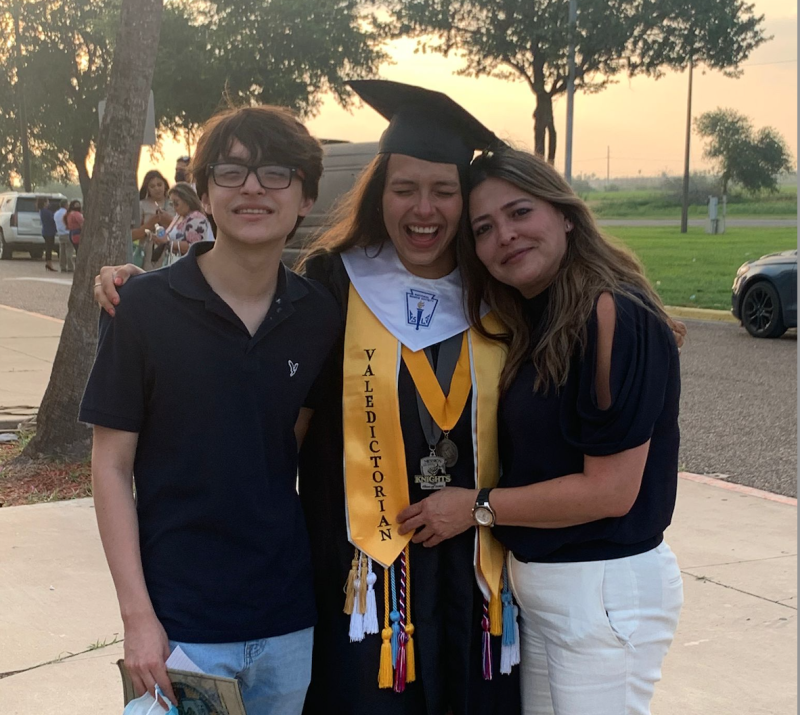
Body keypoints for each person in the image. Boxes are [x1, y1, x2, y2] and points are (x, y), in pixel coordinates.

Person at [93, 81, 522, 715]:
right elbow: (123, 461)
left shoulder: (493, 288)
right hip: (350, 584)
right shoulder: (337, 284)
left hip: (458, 577)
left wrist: (621, 302)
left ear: (305, 195)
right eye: (404, 188)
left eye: (443, 191)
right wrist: (139, 284)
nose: (422, 208)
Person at [397, 147, 684, 715]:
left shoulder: (613, 312)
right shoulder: (540, 319)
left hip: (601, 590)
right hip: (548, 592)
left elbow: (610, 490)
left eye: (520, 212)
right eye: (484, 228)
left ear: (566, 214)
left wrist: (476, 507)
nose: (504, 235)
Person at [80, 105, 341, 715]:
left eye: (276, 173)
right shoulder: (141, 308)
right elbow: (111, 469)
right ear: (203, 192)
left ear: (305, 198)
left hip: (287, 621)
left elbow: (284, 447)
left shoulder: (318, 317)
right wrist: (138, 620)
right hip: (179, 628)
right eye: (231, 171)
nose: (252, 187)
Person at [149, 182, 213, 267]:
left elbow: (193, 247)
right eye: (172, 204)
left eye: (176, 203)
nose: (174, 207)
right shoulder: (178, 217)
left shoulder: (196, 218)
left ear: (187, 200)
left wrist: (167, 243)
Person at [132, 170, 175, 270]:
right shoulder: (141, 205)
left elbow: (183, 227)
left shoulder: (174, 203)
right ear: (148, 189)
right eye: (152, 186)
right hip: (148, 253)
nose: (157, 188)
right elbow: (133, 235)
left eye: (159, 185)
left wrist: (168, 220)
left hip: (171, 251)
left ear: (165, 185)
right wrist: (151, 223)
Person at [54, 199, 75, 272]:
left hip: (60, 234)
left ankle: (62, 266)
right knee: (69, 251)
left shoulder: (56, 213)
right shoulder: (67, 213)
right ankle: (70, 266)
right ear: (66, 205)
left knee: (62, 251)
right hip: (68, 233)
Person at [37, 198, 57, 271]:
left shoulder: (43, 211)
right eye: (47, 202)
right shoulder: (45, 211)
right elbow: (52, 219)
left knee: (49, 248)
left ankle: (48, 263)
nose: (49, 203)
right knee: (49, 248)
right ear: (44, 203)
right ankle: (49, 263)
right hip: (49, 232)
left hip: (47, 231)